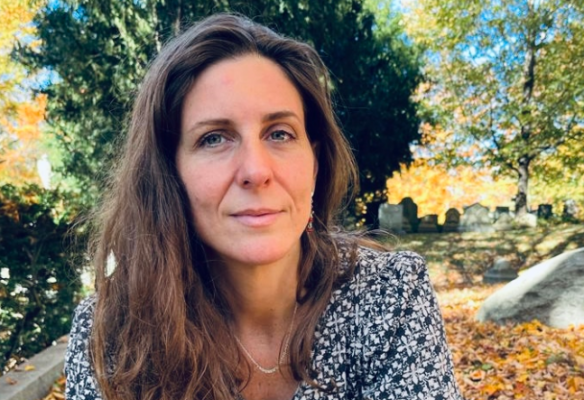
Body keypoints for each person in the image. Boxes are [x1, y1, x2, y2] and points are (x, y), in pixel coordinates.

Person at [65, 13, 464, 400]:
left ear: (315, 162)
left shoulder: (390, 295)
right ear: (169, 173)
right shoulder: (111, 331)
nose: (256, 171)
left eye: (279, 133)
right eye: (214, 138)